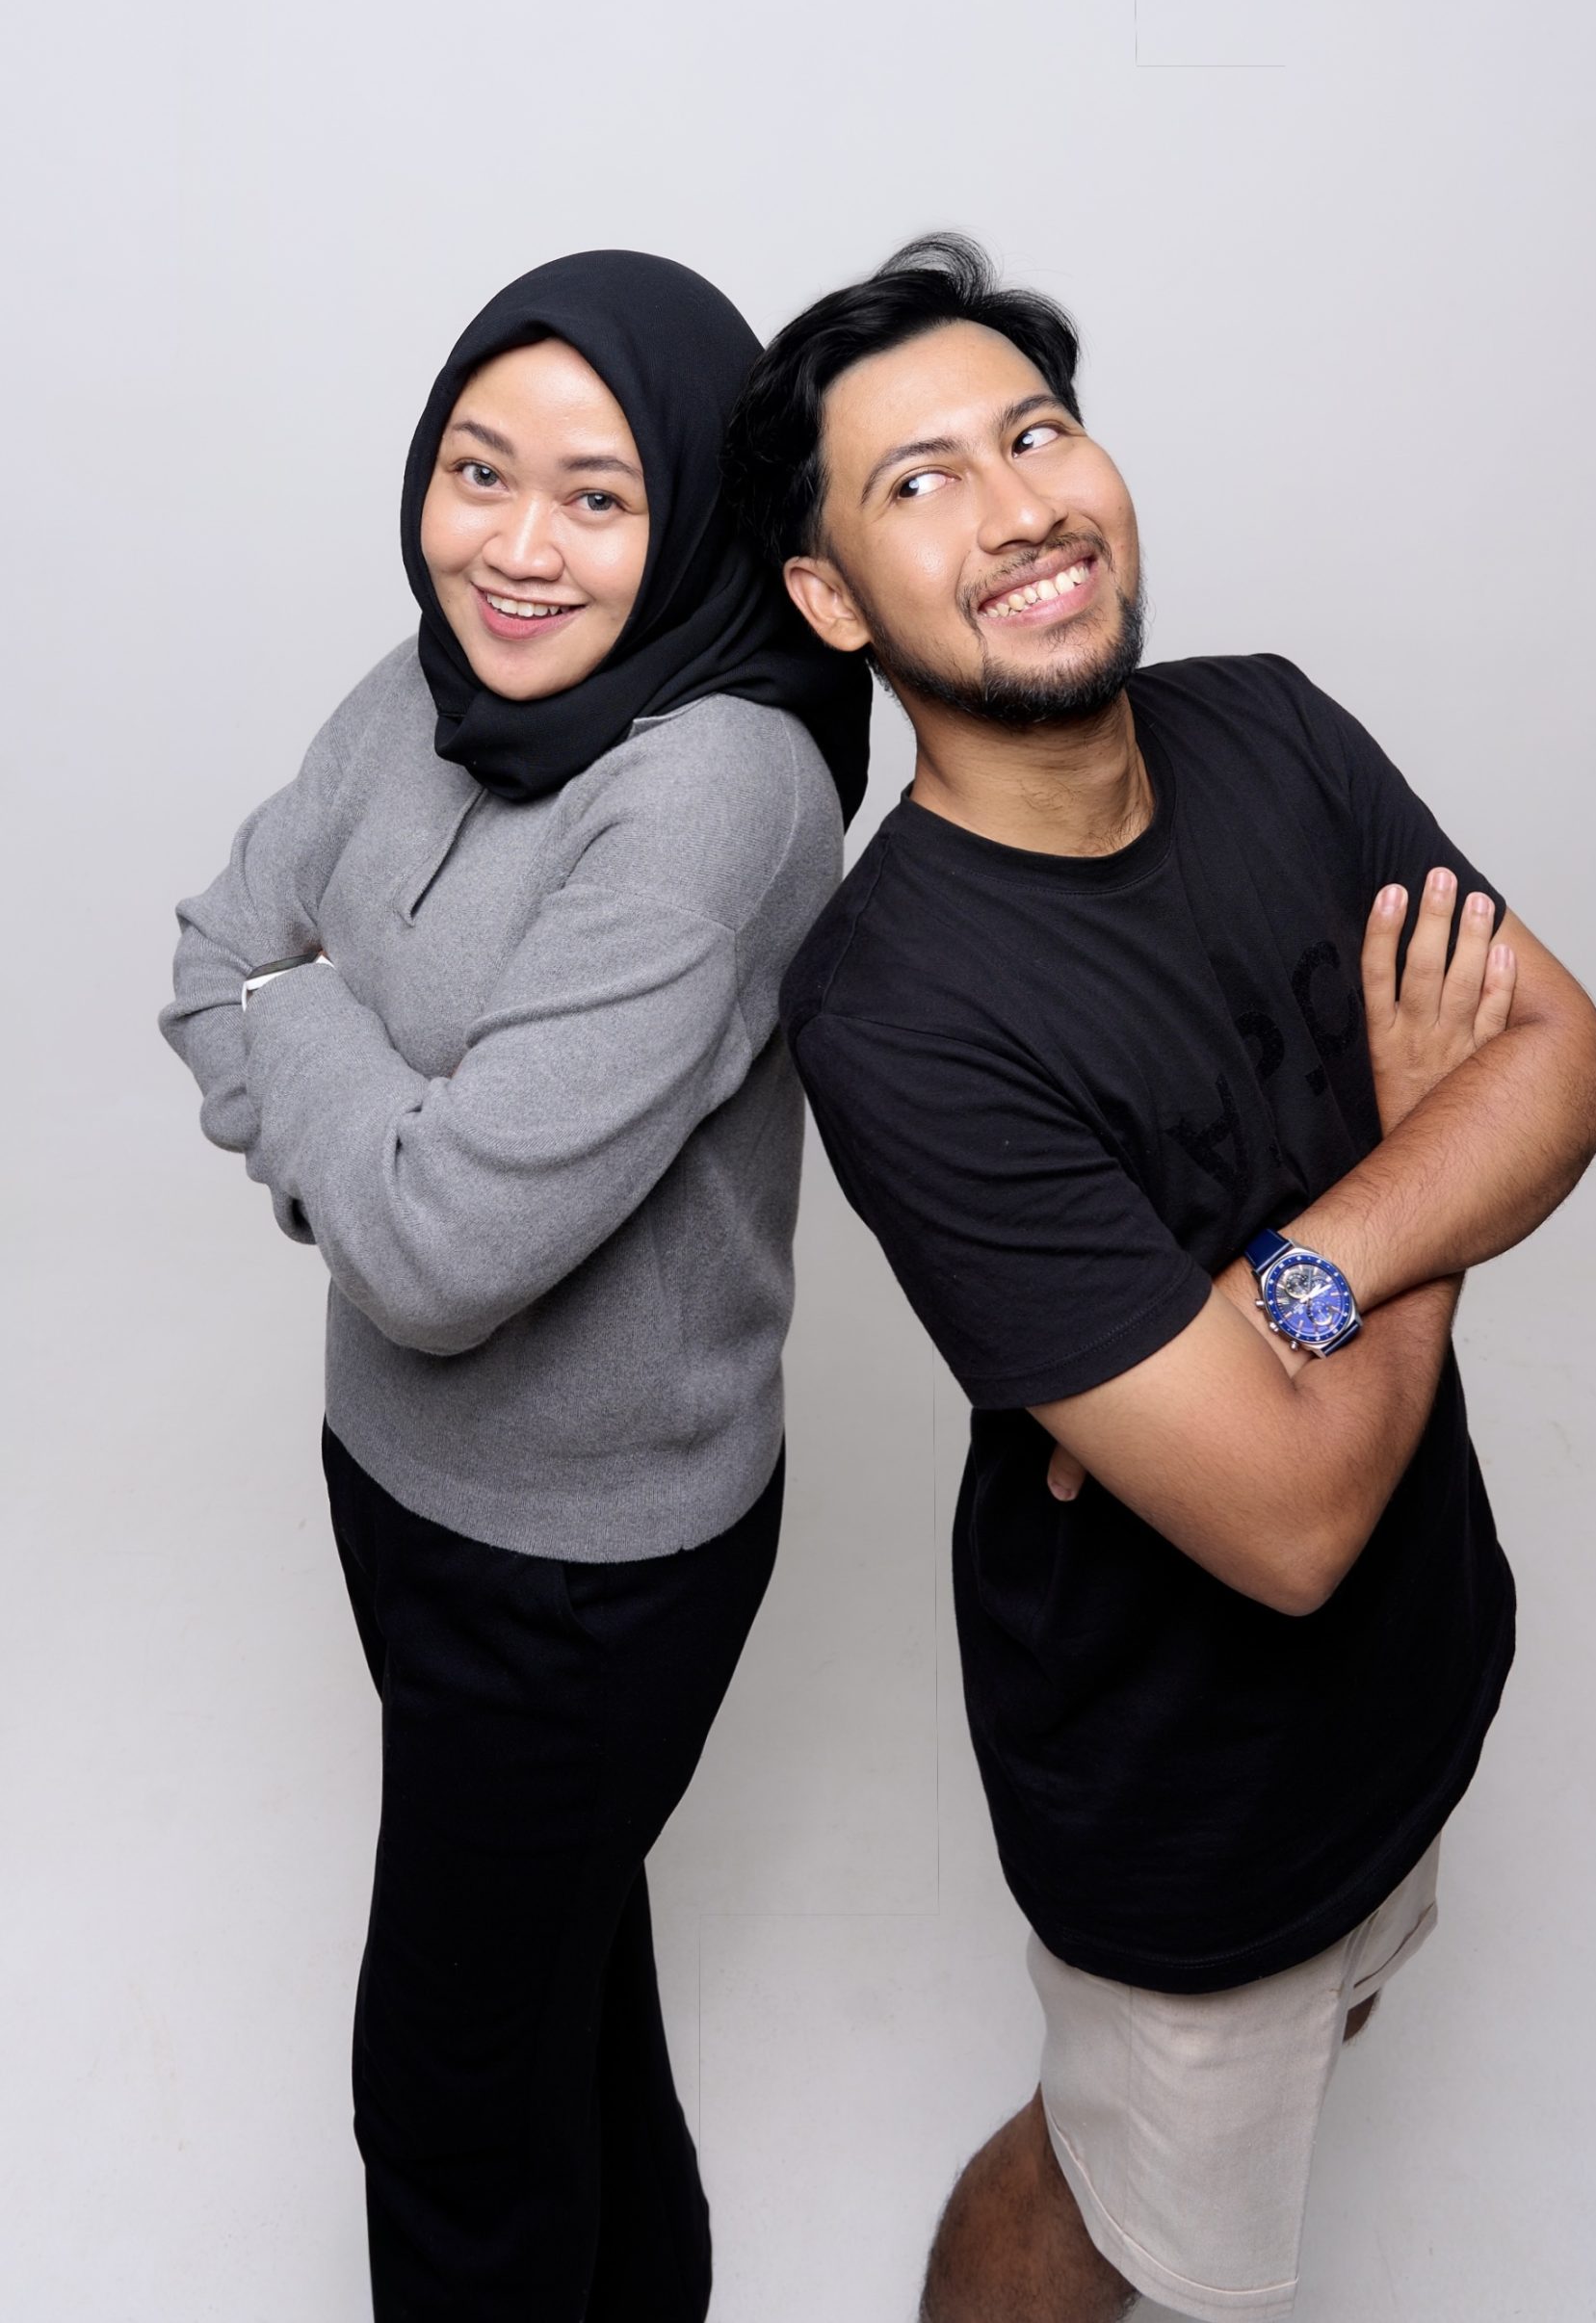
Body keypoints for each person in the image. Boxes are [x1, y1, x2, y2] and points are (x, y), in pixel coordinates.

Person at [721, 234, 1596, 2323]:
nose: (1020, 505)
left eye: (1036, 433)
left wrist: (1302, 1274)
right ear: (832, 599)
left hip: (1430, 1653)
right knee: (1111, 2205)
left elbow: (1576, 1071)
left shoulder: (1273, 730)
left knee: (1342, 2017)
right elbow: (1289, 1526)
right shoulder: (896, 1007)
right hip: (1186, 1801)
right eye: (921, 481)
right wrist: (1435, 1152)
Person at [159, 249, 870, 2323]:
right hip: (393, 1477)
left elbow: (440, 1251)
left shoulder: (718, 790)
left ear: (693, 514)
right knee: (561, 1991)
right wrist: (378, 1135)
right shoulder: (433, 680)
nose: (515, 546)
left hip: (581, 1568)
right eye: (477, 472)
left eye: (595, 493)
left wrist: (318, 1057)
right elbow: (210, 949)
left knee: (450, 2101)